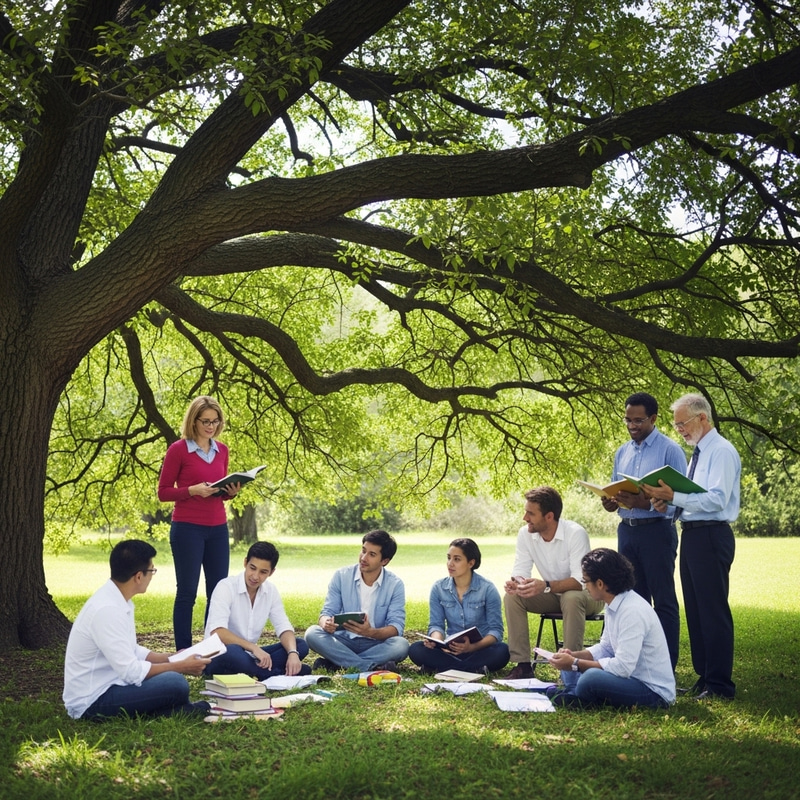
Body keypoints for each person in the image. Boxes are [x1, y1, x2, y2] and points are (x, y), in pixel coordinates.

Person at [643, 393, 740, 700]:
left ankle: (720, 684)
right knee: (696, 611)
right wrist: (668, 504)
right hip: (693, 535)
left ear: (702, 418)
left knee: (712, 610)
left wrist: (675, 497)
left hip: (712, 535)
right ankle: (705, 677)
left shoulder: (721, 451)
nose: (680, 430)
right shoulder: (698, 454)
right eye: (676, 426)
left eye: (682, 423)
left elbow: (717, 500)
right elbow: (692, 498)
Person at [63, 539, 212, 720]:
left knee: (172, 683)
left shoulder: (119, 600)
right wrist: (180, 666)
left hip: (114, 683)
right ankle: (172, 711)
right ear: (139, 576)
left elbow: (131, 650)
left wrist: (172, 657)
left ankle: (173, 711)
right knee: (176, 683)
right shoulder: (107, 610)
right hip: (92, 700)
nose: (152, 576)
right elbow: (131, 672)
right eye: (152, 571)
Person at [599, 392, 686, 670]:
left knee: (663, 601)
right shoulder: (622, 452)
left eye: (638, 420)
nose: (632, 426)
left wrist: (645, 503)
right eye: (628, 420)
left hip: (657, 532)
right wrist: (610, 502)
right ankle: (636, 665)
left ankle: (666, 669)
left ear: (653, 418)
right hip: (627, 532)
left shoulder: (670, 450)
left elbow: (682, 500)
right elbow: (616, 492)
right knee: (632, 600)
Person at [546, 548, 676, 709]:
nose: (585, 586)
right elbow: (606, 648)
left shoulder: (632, 611)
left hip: (651, 692)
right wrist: (573, 656)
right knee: (571, 663)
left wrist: (575, 663)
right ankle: (575, 695)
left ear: (600, 584)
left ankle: (577, 695)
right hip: (629, 680)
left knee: (590, 677)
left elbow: (623, 667)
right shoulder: (613, 604)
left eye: (586, 581)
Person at [158, 395, 240, 650]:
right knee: (187, 592)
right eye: (205, 421)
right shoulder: (178, 450)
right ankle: (183, 651)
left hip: (217, 529)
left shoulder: (222, 450)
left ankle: (209, 648)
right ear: (193, 421)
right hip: (187, 528)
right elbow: (163, 492)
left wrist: (231, 492)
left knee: (217, 593)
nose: (211, 426)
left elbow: (219, 493)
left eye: (215, 421)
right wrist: (192, 490)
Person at [503, 486, 604, 684]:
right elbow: (521, 570)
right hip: (553, 595)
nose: (525, 518)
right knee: (513, 598)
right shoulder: (525, 534)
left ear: (549, 516)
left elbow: (580, 581)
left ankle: (570, 669)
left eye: (531, 513)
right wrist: (518, 584)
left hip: (588, 595)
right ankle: (523, 665)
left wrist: (546, 585)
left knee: (571, 597)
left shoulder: (575, 533)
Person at [203, 541, 311, 680]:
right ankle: (272, 674)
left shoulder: (270, 591)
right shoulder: (225, 587)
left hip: (249, 656)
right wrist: (253, 648)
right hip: (219, 655)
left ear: (271, 572)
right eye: (252, 568)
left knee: (300, 645)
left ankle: (255, 671)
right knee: (233, 651)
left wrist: (292, 653)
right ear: (245, 563)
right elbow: (218, 632)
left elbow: (283, 626)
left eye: (263, 572)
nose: (255, 576)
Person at [305, 529, 409, 671]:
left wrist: (370, 632)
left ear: (384, 561)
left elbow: (396, 627)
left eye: (372, 554)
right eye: (363, 551)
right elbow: (327, 612)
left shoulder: (395, 584)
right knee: (312, 633)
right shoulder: (341, 576)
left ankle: (338, 663)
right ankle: (369, 667)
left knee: (401, 645)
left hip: (375, 643)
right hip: (343, 641)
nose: (363, 558)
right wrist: (326, 623)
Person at [408, 538, 510, 675]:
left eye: (456, 559)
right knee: (416, 649)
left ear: (471, 563)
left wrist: (472, 647)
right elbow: (436, 625)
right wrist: (436, 641)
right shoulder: (439, 588)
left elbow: (496, 631)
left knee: (502, 650)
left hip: (479, 650)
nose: (450, 563)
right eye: (448, 558)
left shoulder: (487, 589)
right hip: (449, 650)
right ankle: (473, 669)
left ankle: (444, 668)